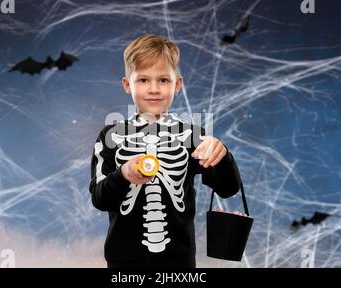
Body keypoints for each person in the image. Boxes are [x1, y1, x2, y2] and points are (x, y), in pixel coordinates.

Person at [89, 34, 241, 268]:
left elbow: (227, 188)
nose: (153, 89)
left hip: (179, 264)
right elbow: (99, 198)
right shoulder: (110, 137)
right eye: (143, 80)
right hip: (123, 263)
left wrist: (223, 156)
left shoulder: (192, 136)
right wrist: (123, 174)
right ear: (127, 85)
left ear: (177, 84)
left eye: (163, 80)